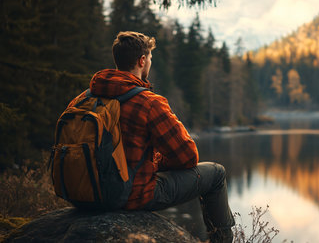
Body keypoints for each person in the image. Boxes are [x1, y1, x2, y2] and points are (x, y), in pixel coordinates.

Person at [68, 31, 235, 242]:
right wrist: (155, 163)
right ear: (142, 60)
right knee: (216, 173)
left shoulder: (84, 97)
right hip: (132, 195)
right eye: (150, 59)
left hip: (85, 193)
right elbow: (187, 156)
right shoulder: (148, 102)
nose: (150, 64)